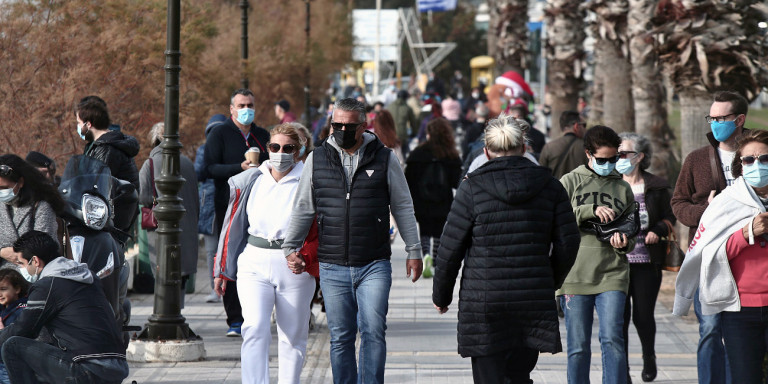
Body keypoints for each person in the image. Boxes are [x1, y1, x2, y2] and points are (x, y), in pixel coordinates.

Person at [282, 98, 423, 384]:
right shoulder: (317, 158)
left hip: (374, 262)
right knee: (341, 337)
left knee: (373, 331)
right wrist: (290, 247)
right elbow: (304, 207)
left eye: (349, 125)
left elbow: (403, 206)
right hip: (333, 264)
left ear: (363, 126)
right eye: (337, 125)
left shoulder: (384, 157)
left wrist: (414, 249)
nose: (342, 130)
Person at [433, 115, 579, 384]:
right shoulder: (550, 187)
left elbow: (450, 247)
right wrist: (550, 279)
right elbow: (568, 242)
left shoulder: (472, 188)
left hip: (484, 299)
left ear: (486, 152)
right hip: (532, 296)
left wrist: (442, 295)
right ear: (524, 148)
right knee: (519, 373)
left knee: (488, 376)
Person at [214, 123, 315, 384]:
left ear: (299, 151)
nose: (280, 153)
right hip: (254, 261)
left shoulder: (310, 181)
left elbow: (323, 226)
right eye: (275, 147)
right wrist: (221, 268)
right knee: (255, 327)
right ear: (267, 148)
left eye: (288, 148)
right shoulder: (251, 180)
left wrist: (309, 257)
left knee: (292, 336)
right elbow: (231, 227)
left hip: (293, 265)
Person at [673, 129, 768, 383]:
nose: (756, 165)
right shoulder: (726, 202)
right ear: (740, 165)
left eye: (764, 159)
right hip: (740, 310)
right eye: (749, 160)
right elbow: (709, 253)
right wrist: (747, 232)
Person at [671, 90, 748, 384]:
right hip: (709, 257)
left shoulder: (757, 155)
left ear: (739, 119)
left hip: (750, 255)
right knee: (711, 329)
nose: (715, 123)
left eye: (721, 118)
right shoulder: (697, 159)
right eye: (711, 118)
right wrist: (706, 211)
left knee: (742, 331)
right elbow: (678, 203)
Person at [557, 125, 635, 384]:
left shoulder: (623, 189)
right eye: (602, 160)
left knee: (613, 340)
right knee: (578, 347)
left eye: (614, 159)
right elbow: (554, 222)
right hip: (575, 275)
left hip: (612, 273)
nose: (609, 164)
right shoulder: (569, 182)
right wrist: (588, 209)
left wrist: (624, 243)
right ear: (588, 154)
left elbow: (632, 233)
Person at [0, 231, 129, 384]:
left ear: (35, 261)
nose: (22, 270)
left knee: (12, 346)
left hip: (89, 369)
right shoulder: (87, 276)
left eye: (21, 264)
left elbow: (23, 329)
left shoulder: (47, 285)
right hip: (116, 368)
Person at [204, 88, 270, 337]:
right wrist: (238, 168)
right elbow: (210, 168)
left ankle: (256, 313)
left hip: (259, 207)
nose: (246, 110)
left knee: (254, 259)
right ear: (231, 108)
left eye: (250, 105)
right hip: (229, 207)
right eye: (241, 105)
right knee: (230, 258)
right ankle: (235, 319)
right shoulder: (219, 134)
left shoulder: (262, 135)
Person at [617, 132, 675, 382]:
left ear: (639, 157)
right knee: (619, 320)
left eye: (624, 154)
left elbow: (669, 216)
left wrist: (658, 230)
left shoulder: (657, 185)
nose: (619, 158)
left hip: (646, 262)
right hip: (616, 264)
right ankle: (623, 368)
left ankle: (648, 356)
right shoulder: (610, 183)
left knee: (643, 316)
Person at [139, 122, 199, 307]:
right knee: (180, 274)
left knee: (164, 272)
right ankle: (177, 311)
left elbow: (143, 196)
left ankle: (165, 311)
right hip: (188, 228)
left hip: (162, 229)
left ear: (155, 139)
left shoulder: (150, 163)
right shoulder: (188, 162)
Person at [404, 118, 462, 278]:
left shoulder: (418, 153)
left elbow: (408, 179)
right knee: (438, 231)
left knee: (424, 229)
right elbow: (457, 181)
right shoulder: (450, 154)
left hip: (421, 200)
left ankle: (426, 254)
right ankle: (435, 258)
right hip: (443, 200)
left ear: (428, 134)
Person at [0, 155, 65, 270]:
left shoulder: (41, 207)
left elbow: (44, 247)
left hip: (33, 277)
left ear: (20, 182)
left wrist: (17, 255)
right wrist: (2, 251)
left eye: (4, 188)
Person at [75, 96, 140, 192]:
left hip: (117, 206)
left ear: (88, 124)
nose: (78, 126)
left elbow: (96, 184)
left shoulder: (107, 148)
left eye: (79, 122)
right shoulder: (106, 144)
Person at [195, 114, 227, 303]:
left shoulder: (231, 148)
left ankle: (230, 289)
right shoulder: (203, 150)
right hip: (209, 204)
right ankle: (214, 289)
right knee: (211, 250)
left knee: (230, 248)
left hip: (230, 200)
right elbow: (198, 172)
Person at [539, 111, 589, 180]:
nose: (585, 128)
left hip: (555, 190)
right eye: (584, 125)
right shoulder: (588, 147)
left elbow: (541, 175)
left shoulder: (549, 147)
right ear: (576, 126)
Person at [0, 269, 29, 384]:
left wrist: (2, 331)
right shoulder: (3, 309)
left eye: (3, 289)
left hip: (10, 366)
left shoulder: (24, 310)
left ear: (17, 289)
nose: (0, 294)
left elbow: (21, 336)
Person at [389, 90, 420, 159]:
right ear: (406, 98)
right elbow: (413, 123)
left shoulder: (389, 107)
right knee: (404, 156)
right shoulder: (407, 108)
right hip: (402, 136)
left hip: (391, 135)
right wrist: (415, 133)